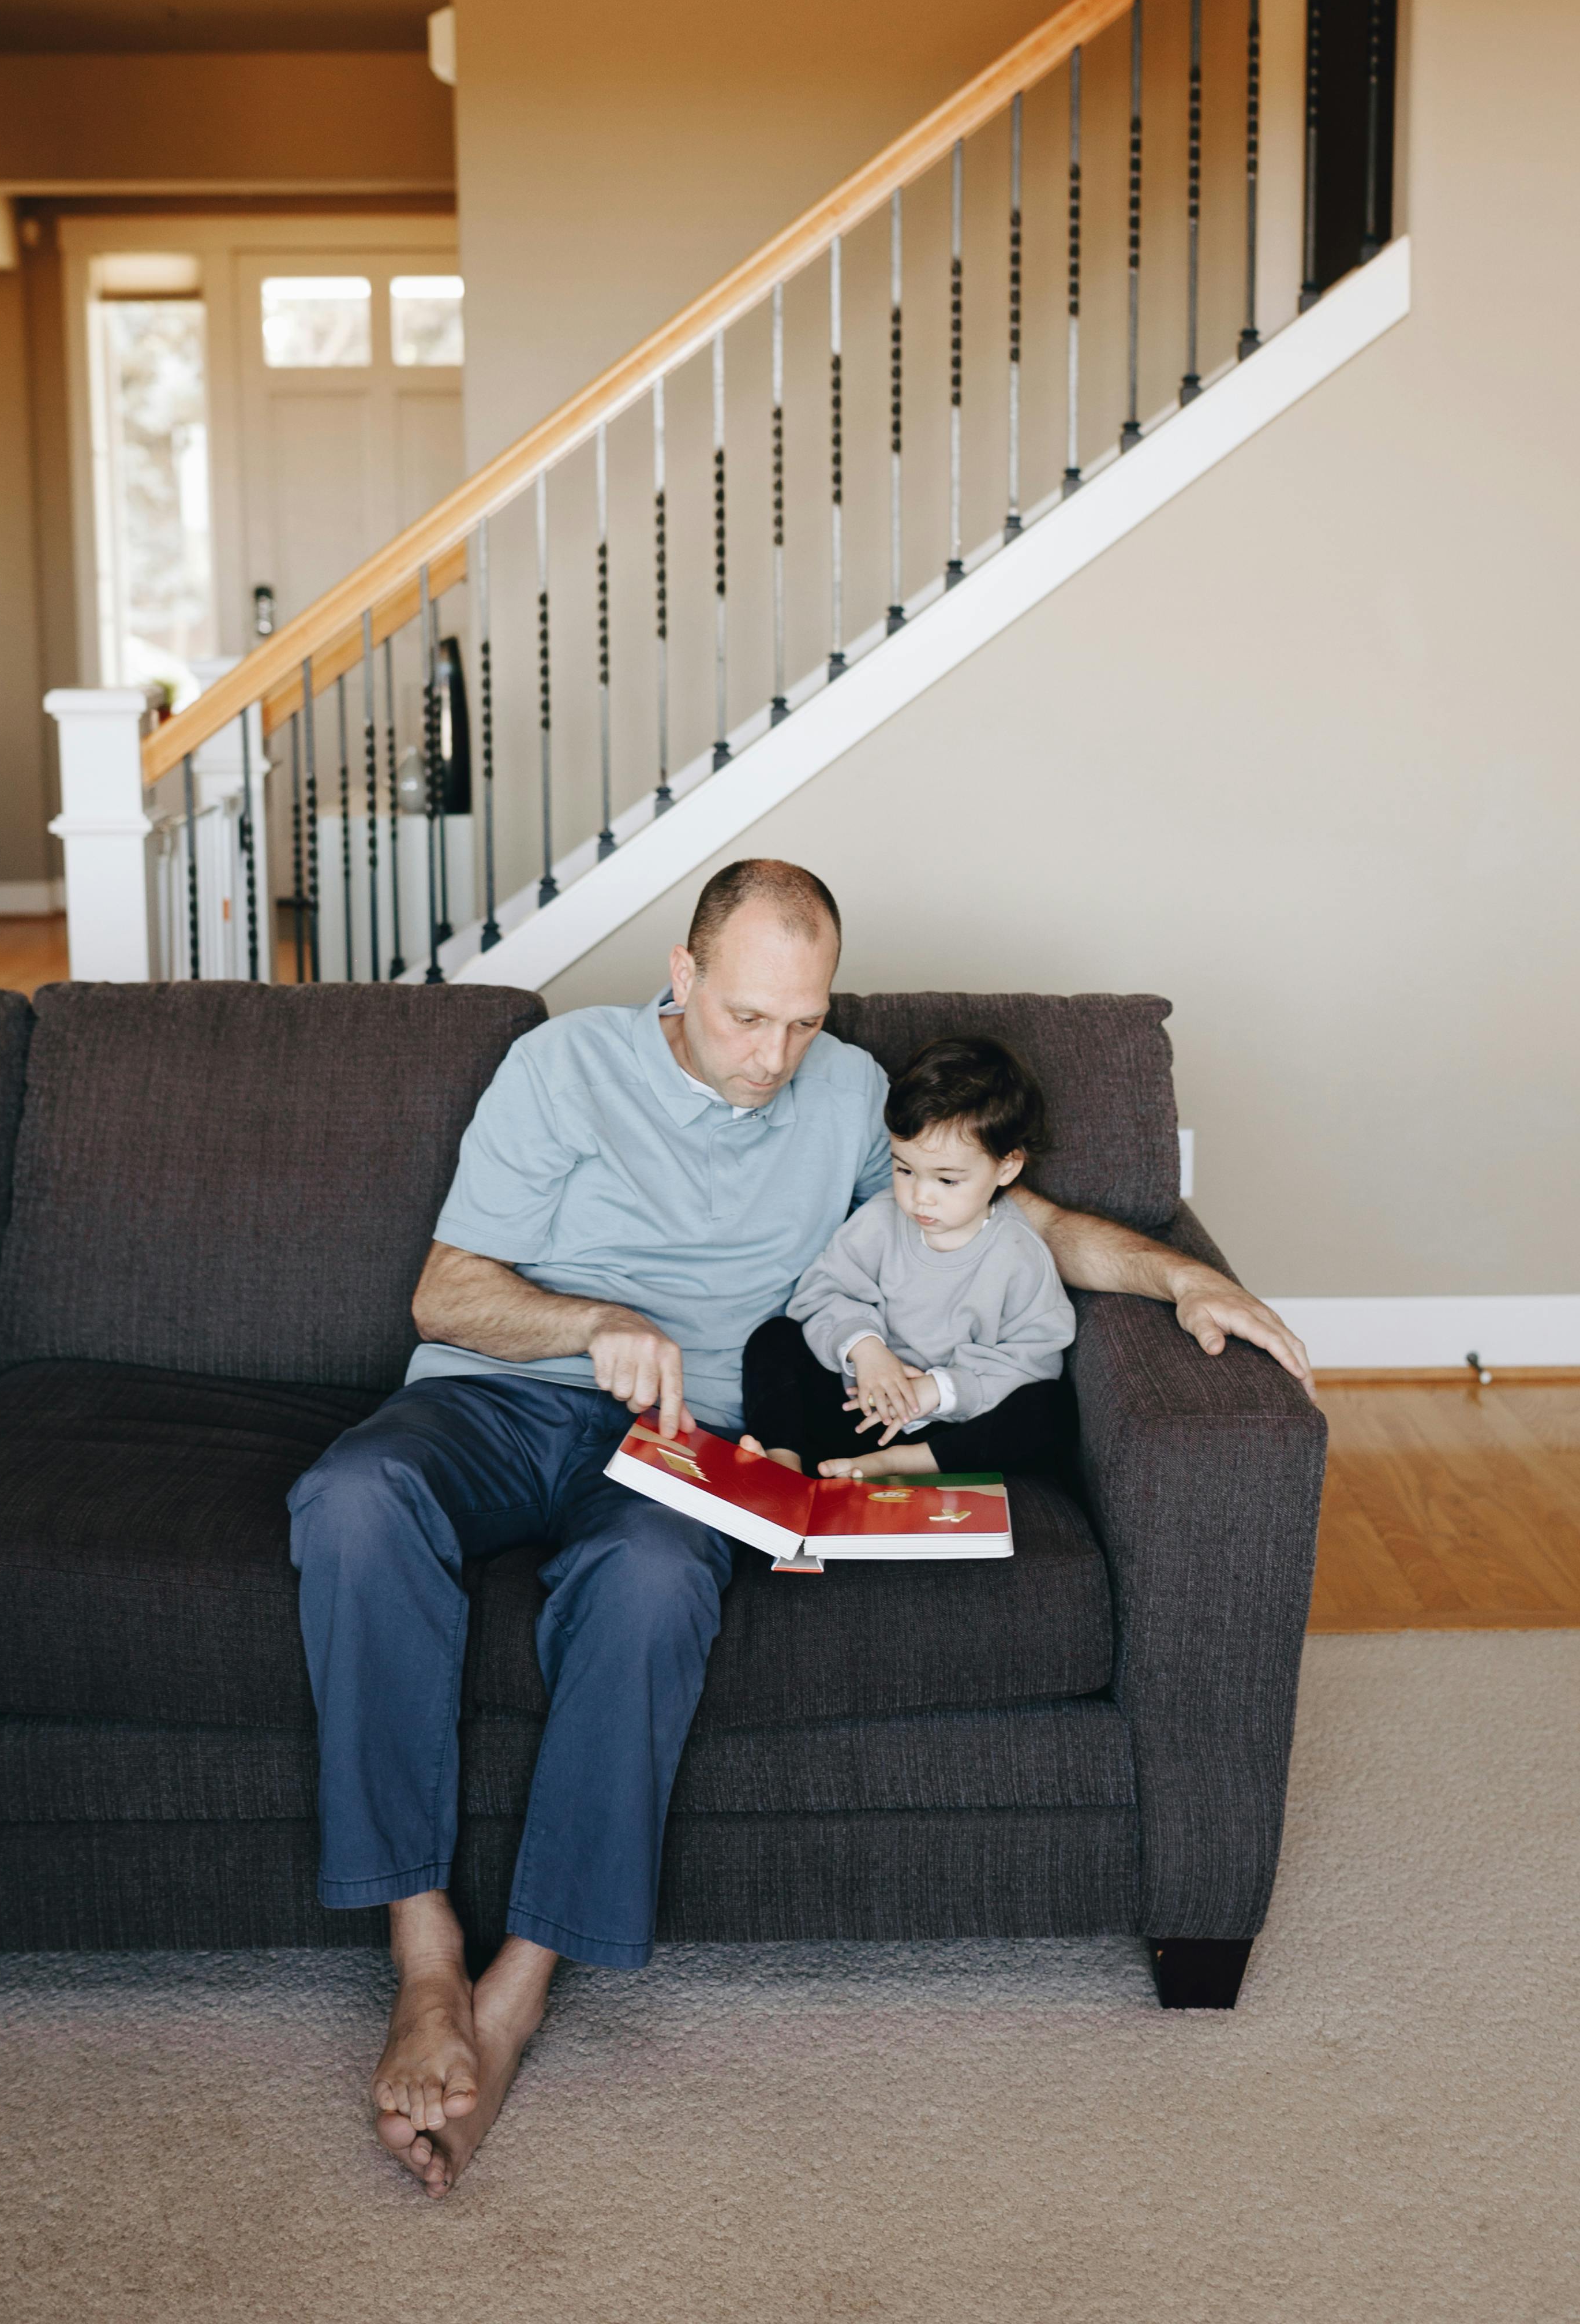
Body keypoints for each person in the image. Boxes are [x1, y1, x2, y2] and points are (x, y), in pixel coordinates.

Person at [286, 858, 1314, 2198]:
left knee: (654, 1586)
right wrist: (591, 1323)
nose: (775, 1056)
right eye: (744, 1017)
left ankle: (517, 1992)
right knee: (350, 1496)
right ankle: (425, 1957)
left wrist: (1184, 1272)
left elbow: (1015, 1219)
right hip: (505, 1398)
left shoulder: (843, 1094)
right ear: (682, 973)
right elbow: (446, 1292)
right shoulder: (562, 1068)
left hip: (687, 1445)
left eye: (803, 1019)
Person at [739, 1032, 1077, 1481]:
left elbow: (1032, 1360)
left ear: (1007, 1167)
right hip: (856, 1405)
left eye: (947, 1180)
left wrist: (934, 1392)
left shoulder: (1018, 1255)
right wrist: (866, 1350)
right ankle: (783, 1464)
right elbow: (822, 1293)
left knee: (1049, 1410)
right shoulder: (880, 1220)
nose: (920, 1198)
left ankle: (895, 1465)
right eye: (905, 1170)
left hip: (941, 1433)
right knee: (774, 1338)